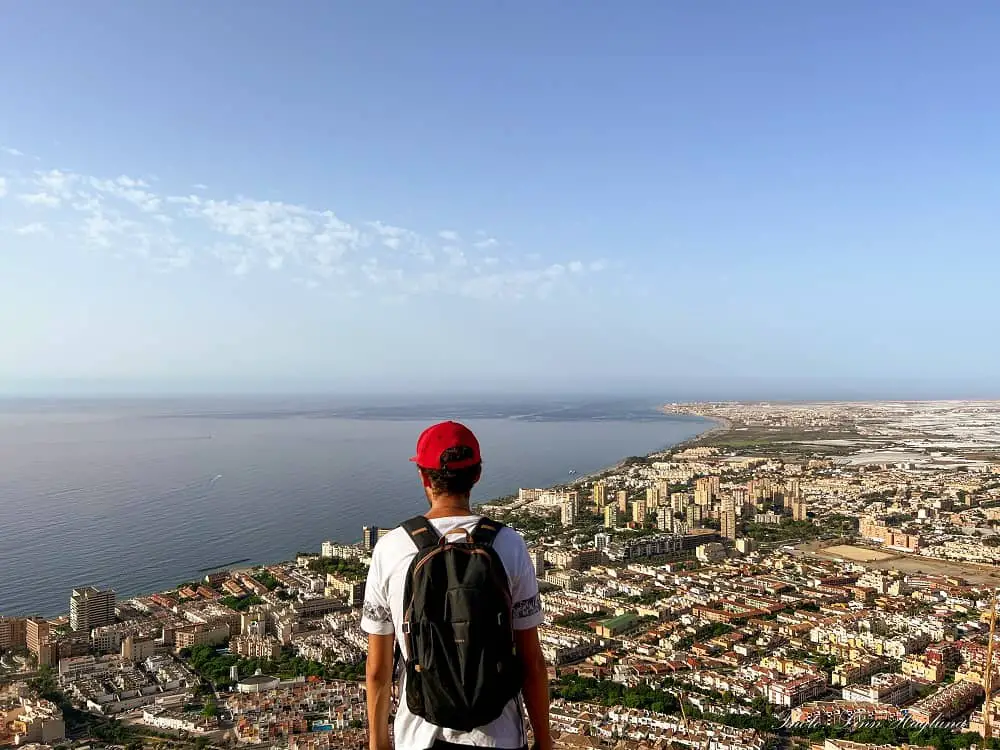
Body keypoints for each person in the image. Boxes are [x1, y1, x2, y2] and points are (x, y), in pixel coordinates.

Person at [361, 421, 551, 750]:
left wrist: (378, 745)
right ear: (477, 475)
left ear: (423, 476)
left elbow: (378, 669)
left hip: (420, 737)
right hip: (499, 737)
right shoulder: (509, 545)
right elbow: (532, 661)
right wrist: (544, 741)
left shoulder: (391, 549)